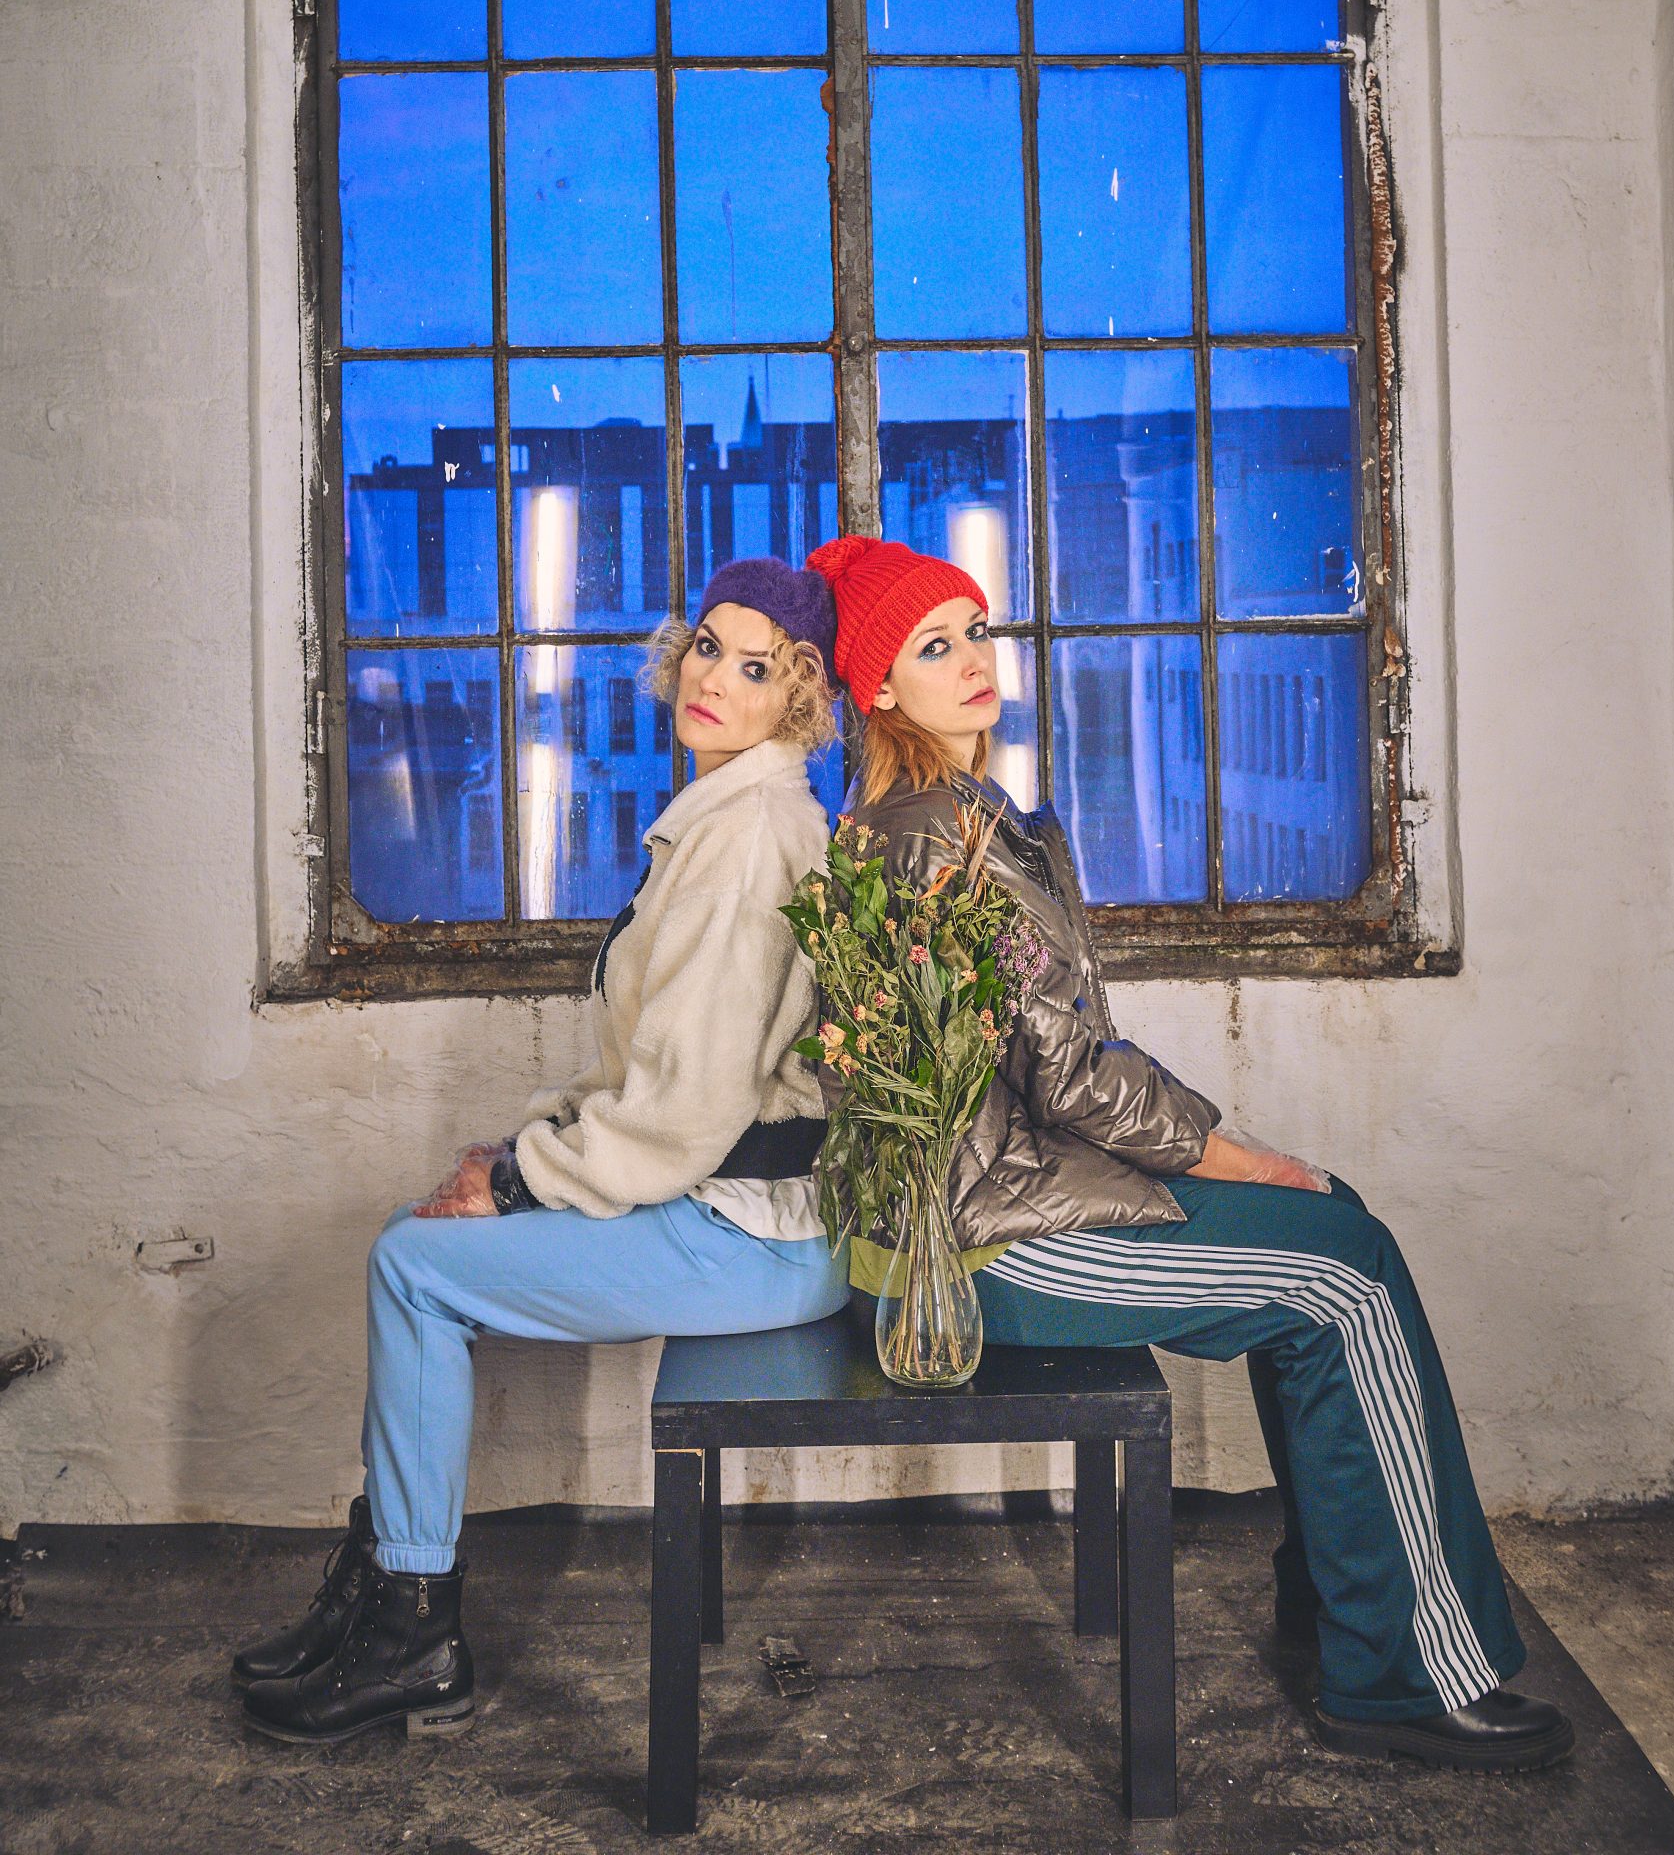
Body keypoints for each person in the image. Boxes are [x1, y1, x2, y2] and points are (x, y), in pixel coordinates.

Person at [804, 533, 1573, 1774]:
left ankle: (1344, 1600)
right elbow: (1069, 1073)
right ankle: (1398, 1677)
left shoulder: (961, 817)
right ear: (878, 686)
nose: (973, 659)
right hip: (988, 1243)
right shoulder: (934, 834)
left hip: (1003, 1191)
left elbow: (1044, 1063)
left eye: (976, 630)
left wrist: (1233, 1157)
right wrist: (1241, 1157)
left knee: (1339, 1221)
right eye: (932, 645)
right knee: (1342, 1275)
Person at [236, 558, 849, 1746]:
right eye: (707, 645)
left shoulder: (748, 839)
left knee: (411, 1268)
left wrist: (519, 1179)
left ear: (799, 697)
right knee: (417, 1241)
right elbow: (646, 1072)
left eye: (755, 665)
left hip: (752, 1234)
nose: (714, 678)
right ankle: (378, 1588)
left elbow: (682, 1114)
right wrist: (523, 1147)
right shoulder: (726, 818)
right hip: (725, 1207)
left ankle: (413, 1628)